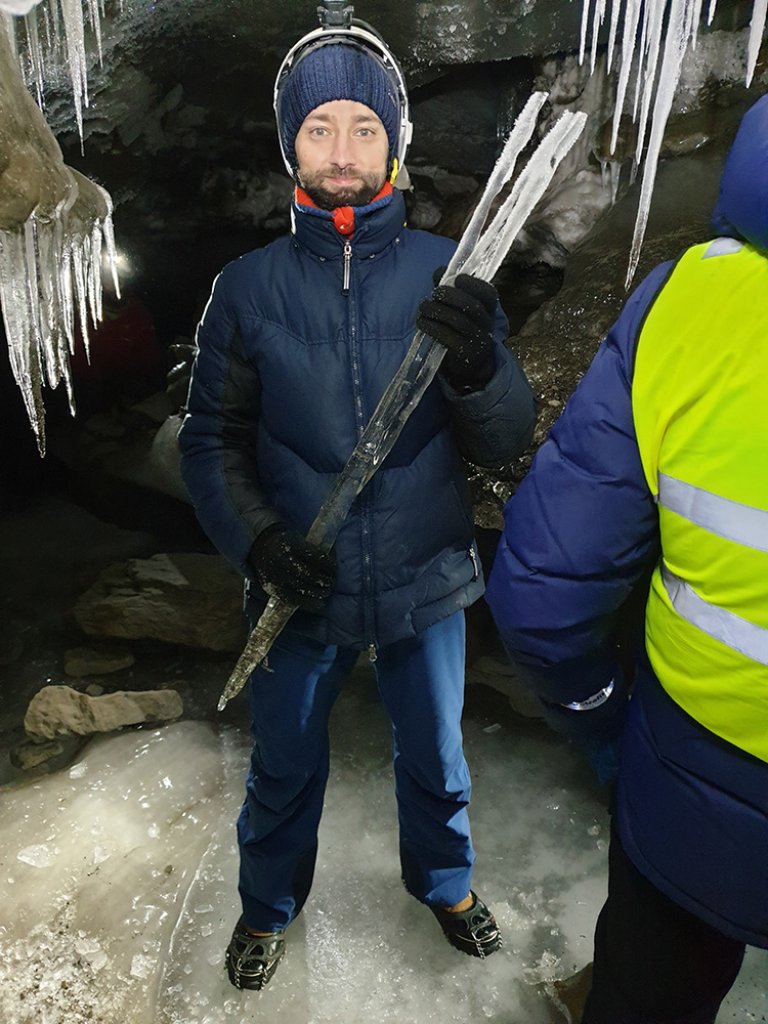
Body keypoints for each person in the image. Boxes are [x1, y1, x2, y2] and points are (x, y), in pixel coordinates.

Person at [178, 7, 536, 992]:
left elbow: (509, 438)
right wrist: (257, 542)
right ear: (291, 141)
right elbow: (209, 441)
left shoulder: (448, 272)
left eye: (366, 128)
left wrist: (477, 365)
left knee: (436, 754)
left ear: (394, 145)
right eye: (322, 127)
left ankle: (447, 882)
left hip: (424, 571)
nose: (343, 151)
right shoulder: (246, 289)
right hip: (300, 581)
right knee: (285, 765)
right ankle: (268, 906)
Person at [485, 92, 768, 1024]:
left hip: (691, 770)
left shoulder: (693, 299)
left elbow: (543, 590)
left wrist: (605, 727)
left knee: (651, 985)